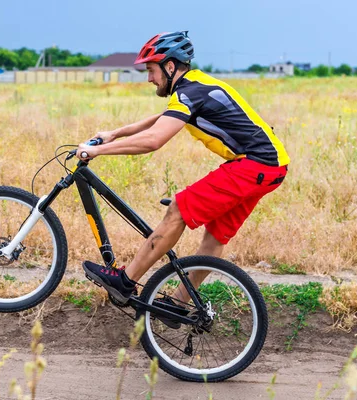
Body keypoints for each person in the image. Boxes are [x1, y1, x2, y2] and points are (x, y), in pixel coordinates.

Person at [78, 31, 290, 323]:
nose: (149, 79)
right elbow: (163, 118)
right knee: (214, 238)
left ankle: (124, 281)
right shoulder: (194, 86)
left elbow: (154, 140)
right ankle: (178, 306)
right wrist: (115, 133)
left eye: (151, 70)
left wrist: (98, 152)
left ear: (170, 66)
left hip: (254, 165)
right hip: (270, 167)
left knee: (178, 210)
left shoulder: (190, 91)